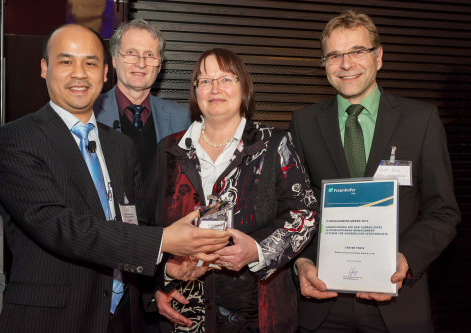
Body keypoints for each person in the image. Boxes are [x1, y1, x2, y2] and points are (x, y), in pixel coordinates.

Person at [0, 24, 230, 333]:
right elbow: (58, 226)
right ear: (44, 68)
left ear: (104, 72)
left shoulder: (119, 145)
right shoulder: (14, 139)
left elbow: (135, 222)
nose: (79, 73)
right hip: (52, 318)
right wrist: (165, 240)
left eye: (89, 62)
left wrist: (163, 270)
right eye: (66, 61)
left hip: (122, 316)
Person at [289, 10, 461, 333]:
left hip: (398, 303)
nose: (346, 64)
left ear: (379, 57)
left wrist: (405, 259)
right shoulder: (304, 123)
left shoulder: (420, 121)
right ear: (324, 63)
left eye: (357, 51)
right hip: (323, 304)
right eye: (334, 55)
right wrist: (301, 262)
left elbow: (444, 212)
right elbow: (296, 210)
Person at [146, 48, 319, 333]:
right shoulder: (169, 150)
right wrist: (159, 281)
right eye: (205, 80)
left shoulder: (274, 144)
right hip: (185, 314)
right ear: (195, 90)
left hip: (259, 314)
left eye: (226, 79)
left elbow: (305, 213)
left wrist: (258, 250)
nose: (215, 88)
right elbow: (149, 226)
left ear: (244, 87)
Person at [94, 18, 190, 178]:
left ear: (159, 65)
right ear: (114, 60)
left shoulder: (183, 118)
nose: (141, 63)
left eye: (149, 55)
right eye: (131, 53)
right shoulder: (90, 112)